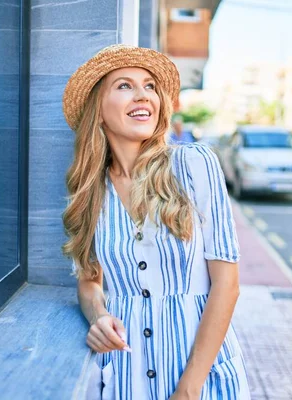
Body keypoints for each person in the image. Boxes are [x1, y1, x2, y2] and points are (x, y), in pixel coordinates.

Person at [62, 45, 249, 399]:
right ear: (98, 111)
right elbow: (89, 281)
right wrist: (98, 315)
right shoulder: (89, 192)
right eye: (124, 86)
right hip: (126, 376)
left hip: (201, 377)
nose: (142, 95)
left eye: (150, 86)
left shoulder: (194, 164)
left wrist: (189, 389)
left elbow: (228, 285)